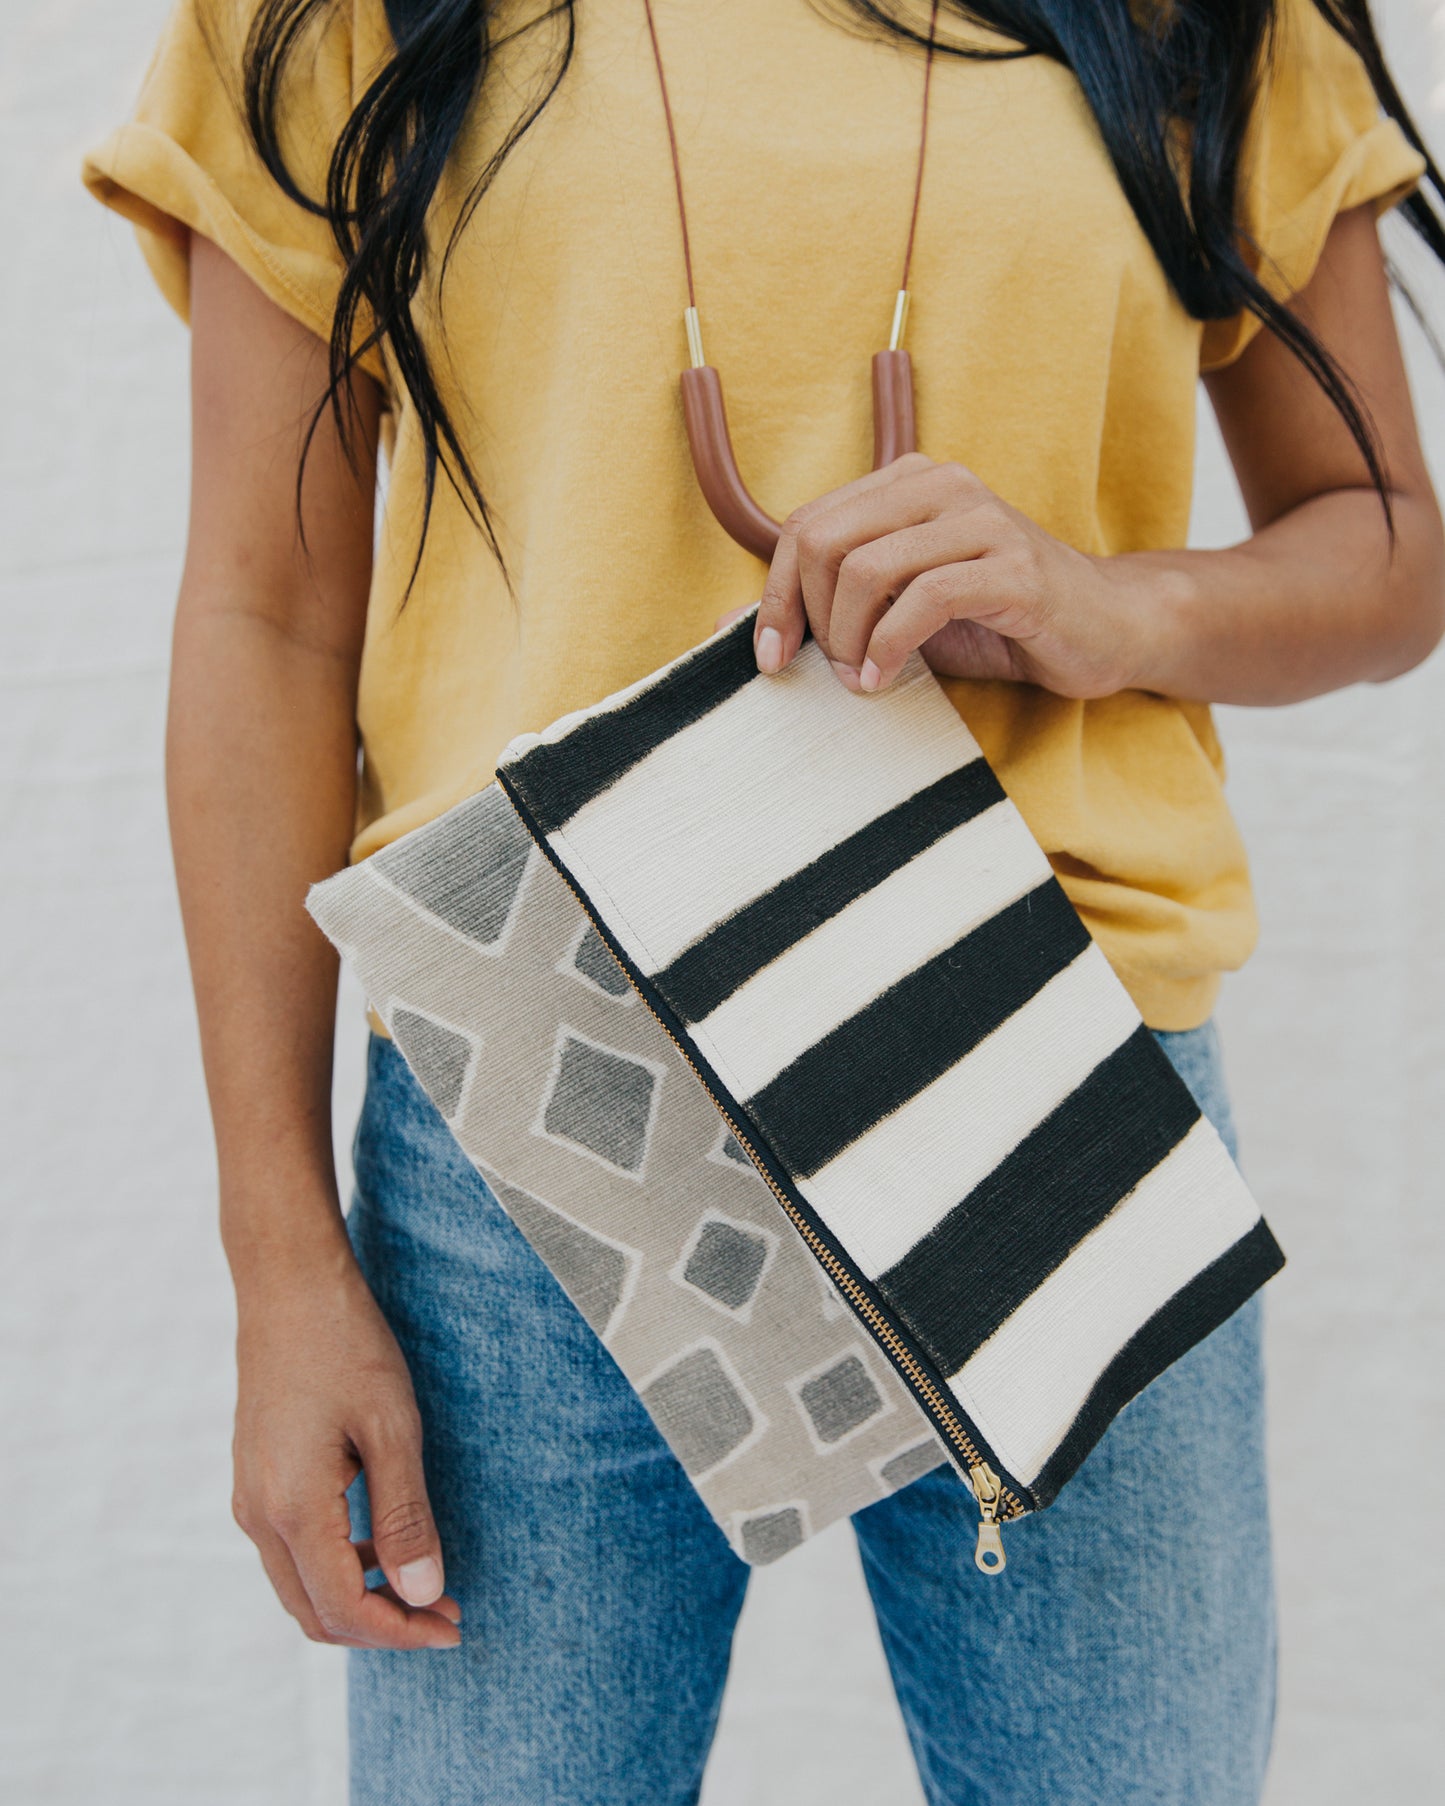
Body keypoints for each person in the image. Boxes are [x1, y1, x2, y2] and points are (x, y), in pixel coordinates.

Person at [79, 1, 1443, 1800]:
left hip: (1050, 1083)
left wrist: (1108, 604)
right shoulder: (330, 19)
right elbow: (265, 614)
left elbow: (1383, 538)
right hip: (537, 1109)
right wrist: (281, 1258)